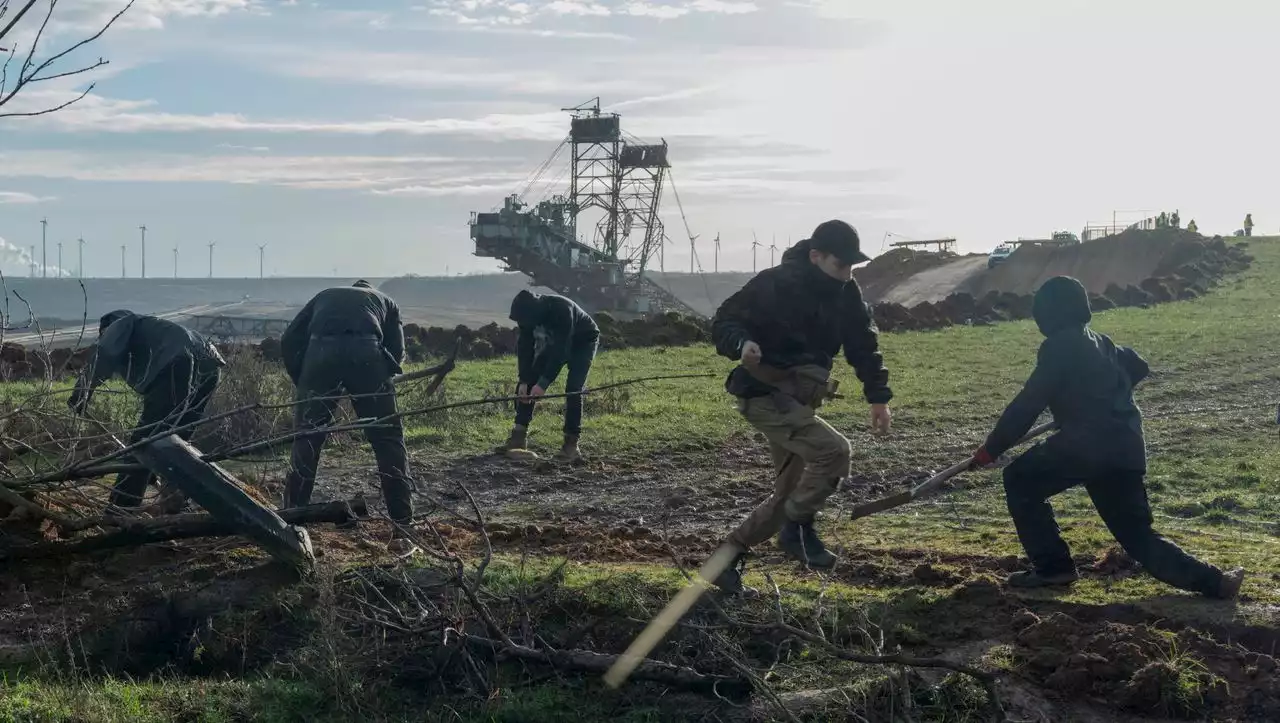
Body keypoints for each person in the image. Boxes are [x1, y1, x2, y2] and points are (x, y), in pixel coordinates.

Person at [970, 276, 1244, 598]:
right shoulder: (1103, 343)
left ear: (1048, 314)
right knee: (1138, 536)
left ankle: (1053, 567)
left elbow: (1027, 404)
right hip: (1124, 447)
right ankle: (1215, 582)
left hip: (1085, 445)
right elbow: (1139, 366)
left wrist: (992, 449)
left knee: (1019, 480)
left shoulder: (1059, 346)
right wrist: (1099, 397)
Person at [706, 220, 892, 594]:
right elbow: (724, 320)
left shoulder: (846, 291)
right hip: (764, 396)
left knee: (789, 495)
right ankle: (797, 530)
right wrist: (741, 343)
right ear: (815, 256)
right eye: (841, 265)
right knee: (834, 452)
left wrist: (878, 397)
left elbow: (862, 343)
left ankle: (724, 562)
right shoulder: (775, 283)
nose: (846, 274)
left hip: (798, 400)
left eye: (852, 267)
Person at [280, 280, 415, 555]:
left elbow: (289, 338)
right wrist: (379, 378)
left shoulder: (324, 294)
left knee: (306, 438)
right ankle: (403, 526)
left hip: (319, 354)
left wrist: (303, 379)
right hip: (367, 351)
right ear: (370, 289)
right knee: (388, 438)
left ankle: (290, 521)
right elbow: (397, 350)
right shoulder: (386, 301)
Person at [69, 310, 226, 512]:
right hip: (210, 365)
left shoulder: (121, 323)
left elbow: (105, 353)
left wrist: (81, 391)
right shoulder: (154, 332)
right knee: (176, 444)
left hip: (179, 363)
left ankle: (121, 507)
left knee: (143, 444)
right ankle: (179, 502)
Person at [494, 290, 600, 462]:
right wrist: (524, 380)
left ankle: (571, 446)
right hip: (555, 342)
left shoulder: (561, 310)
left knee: (573, 389)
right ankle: (518, 438)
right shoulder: (526, 318)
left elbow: (561, 351)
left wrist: (543, 384)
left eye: (524, 321)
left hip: (583, 341)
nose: (522, 324)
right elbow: (525, 348)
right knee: (527, 385)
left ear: (534, 313)